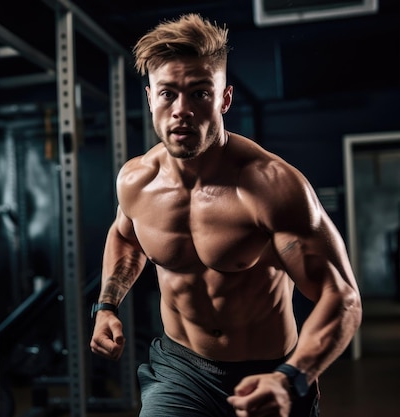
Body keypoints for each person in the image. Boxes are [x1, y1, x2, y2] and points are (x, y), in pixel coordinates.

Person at [89, 12, 362, 417]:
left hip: (268, 372)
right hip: (179, 368)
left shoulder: (272, 187)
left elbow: (342, 298)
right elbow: (126, 237)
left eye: (199, 93)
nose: (181, 110)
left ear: (224, 98)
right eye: (167, 94)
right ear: (150, 98)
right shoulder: (136, 181)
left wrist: (293, 375)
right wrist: (106, 307)